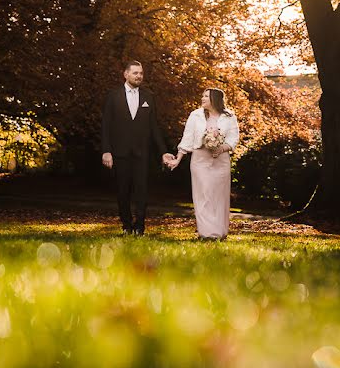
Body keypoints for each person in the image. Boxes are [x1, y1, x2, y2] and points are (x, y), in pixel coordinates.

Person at [101, 61, 173, 235]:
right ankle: (126, 225)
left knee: (142, 191)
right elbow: (106, 125)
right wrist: (106, 150)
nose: (139, 76)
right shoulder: (113, 96)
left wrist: (163, 151)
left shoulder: (149, 96)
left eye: (141, 73)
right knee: (122, 191)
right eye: (135, 73)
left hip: (142, 153)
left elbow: (154, 127)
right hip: (120, 152)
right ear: (125, 74)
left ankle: (139, 227)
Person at [166, 88, 239, 240]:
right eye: (203, 96)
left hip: (221, 161)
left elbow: (233, 139)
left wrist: (221, 148)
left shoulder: (229, 116)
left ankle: (220, 232)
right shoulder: (195, 115)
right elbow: (188, 137)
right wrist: (178, 158)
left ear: (215, 99)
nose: (202, 98)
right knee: (203, 195)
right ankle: (206, 233)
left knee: (220, 197)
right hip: (200, 160)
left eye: (206, 96)